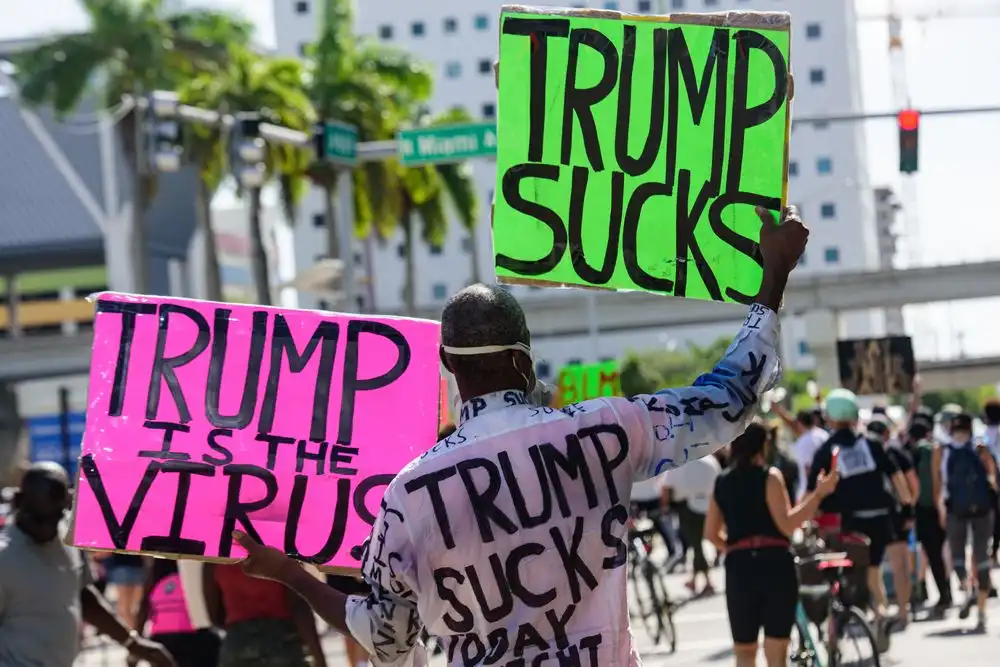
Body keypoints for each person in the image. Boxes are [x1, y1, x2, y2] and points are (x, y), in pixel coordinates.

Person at [230, 205, 808, 666]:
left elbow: (386, 637)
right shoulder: (601, 432)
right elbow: (728, 400)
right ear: (523, 361)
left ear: (449, 367)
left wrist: (288, 573)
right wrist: (773, 275)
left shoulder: (408, 496)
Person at [0, 462, 175, 667]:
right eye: (39, 519)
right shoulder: (5, 557)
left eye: (54, 517)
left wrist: (134, 644)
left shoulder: (66, 536)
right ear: (20, 502)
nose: (48, 529)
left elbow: (84, 597)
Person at [705, 421, 838, 667]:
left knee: (744, 652)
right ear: (763, 446)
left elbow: (710, 534)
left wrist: (735, 547)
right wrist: (818, 494)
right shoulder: (770, 477)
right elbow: (787, 525)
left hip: (739, 568)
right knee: (776, 651)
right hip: (775, 564)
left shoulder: (722, 481)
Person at [807, 389, 914, 633]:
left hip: (851, 520)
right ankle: (890, 611)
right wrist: (907, 508)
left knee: (862, 569)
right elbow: (897, 477)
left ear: (830, 417)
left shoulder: (826, 451)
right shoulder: (873, 443)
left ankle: (874, 611)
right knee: (884, 565)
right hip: (884, 515)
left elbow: (815, 490)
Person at [937, 412, 996, 630]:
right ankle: (981, 612)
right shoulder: (981, 448)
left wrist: (941, 508)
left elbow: (942, 483)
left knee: (958, 556)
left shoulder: (946, 451)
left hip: (956, 509)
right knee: (982, 558)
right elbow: (993, 478)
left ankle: (967, 589)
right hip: (982, 509)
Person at [203, 563, 327, 667]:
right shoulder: (280, 553)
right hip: (282, 642)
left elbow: (214, 616)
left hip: (238, 643)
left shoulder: (214, 561)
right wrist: (318, 657)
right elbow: (299, 609)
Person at [867, 415, 918, 626]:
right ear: (887, 433)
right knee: (900, 566)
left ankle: (880, 608)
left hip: (871, 515)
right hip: (897, 515)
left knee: (873, 566)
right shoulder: (897, 453)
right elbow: (912, 486)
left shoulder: (864, 452)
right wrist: (909, 513)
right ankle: (903, 611)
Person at [132, 558, 221, 667]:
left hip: (161, 639)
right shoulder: (198, 571)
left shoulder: (155, 574)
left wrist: (136, 643)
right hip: (196, 636)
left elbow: (143, 608)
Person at [908, 414, 952, 614]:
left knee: (932, 554)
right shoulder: (939, 447)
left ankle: (942, 595)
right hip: (943, 505)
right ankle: (947, 592)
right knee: (941, 553)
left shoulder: (914, 451)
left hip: (924, 510)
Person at [666, 452, 721, 595]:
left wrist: (665, 508)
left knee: (696, 546)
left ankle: (707, 581)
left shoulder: (678, 462)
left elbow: (666, 487)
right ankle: (695, 579)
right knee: (698, 546)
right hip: (710, 505)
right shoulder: (710, 461)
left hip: (688, 508)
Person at [773, 405, 829, 501]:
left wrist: (806, 500)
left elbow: (808, 471)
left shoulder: (804, 442)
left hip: (812, 497)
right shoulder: (824, 434)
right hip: (828, 492)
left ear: (799, 423)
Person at [100, 552, 147, 628]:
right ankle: (133, 633)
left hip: (121, 567)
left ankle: (130, 635)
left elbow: (107, 551)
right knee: (133, 610)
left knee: (124, 610)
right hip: (137, 567)